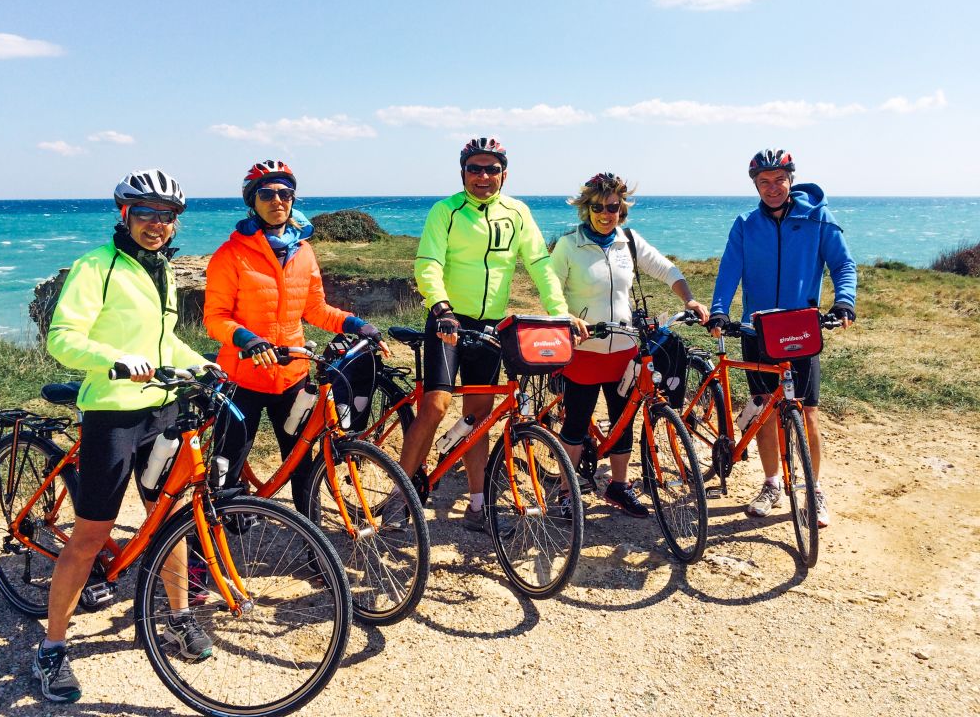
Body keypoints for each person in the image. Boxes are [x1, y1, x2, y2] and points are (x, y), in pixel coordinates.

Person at [38, 170, 221, 703]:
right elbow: (63, 338)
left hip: (162, 412)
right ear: (125, 215)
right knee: (91, 533)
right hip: (113, 415)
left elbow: (163, 344)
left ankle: (179, 617)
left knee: (169, 518)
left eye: (166, 217)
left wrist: (203, 364)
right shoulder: (98, 265)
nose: (157, 226)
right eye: (146, 214)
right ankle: (51, 650)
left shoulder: (161, 270)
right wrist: (114, 361)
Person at [397, 137, 586, 533]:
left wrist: (559, 313)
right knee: (434, 404)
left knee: (479, 415)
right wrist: (440, 306)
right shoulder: (445, 211)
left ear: (504, 173)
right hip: (448, 319)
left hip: (489, 325)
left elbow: (538, 263)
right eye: (475, 169)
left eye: (491, 169)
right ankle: (402, 495)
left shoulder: (516, 212)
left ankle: (478, 504)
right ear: (462, 171)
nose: (483, 177)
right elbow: (428, 262)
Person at [204, 160, 386, 488]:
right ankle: (221, 528)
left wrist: (358, 325)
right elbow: (215, 318)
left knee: (301, 466)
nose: (278, 201)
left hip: (291, 376)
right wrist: (246, 339)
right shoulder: (230, 255)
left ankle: (308, 533)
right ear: (252, 201)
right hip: (241, 378)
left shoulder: (302, 251)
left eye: (285, 193)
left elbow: (315, 309)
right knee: (226, 471)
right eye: (267, 194)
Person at [709, 149, 856, 527]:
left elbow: (842, 264)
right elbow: (729, 271)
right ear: (755, 184)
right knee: (764, 410)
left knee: (806, 412)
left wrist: (844, 301)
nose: (772, 188)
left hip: (800, 329)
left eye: (779, 180)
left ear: (791, 179)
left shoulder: (817, 217)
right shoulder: (744, 223)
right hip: (756, 330)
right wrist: (720, 309)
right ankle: (772, 483)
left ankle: (814, 489)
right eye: (764, 182)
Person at [550, 172, 709, 517]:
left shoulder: (629, 242)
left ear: (621, 209)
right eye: (598, 207)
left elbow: (667, 270)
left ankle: (619, 486)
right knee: (576, 423)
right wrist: (565, 316)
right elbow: (551, 290)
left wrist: (691, 300)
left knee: (623, 419)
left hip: (625, 349)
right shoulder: (569, 245)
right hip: (585, 350)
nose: (606, 214)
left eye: (613, 207)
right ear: (586, 208)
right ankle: (566, 492)